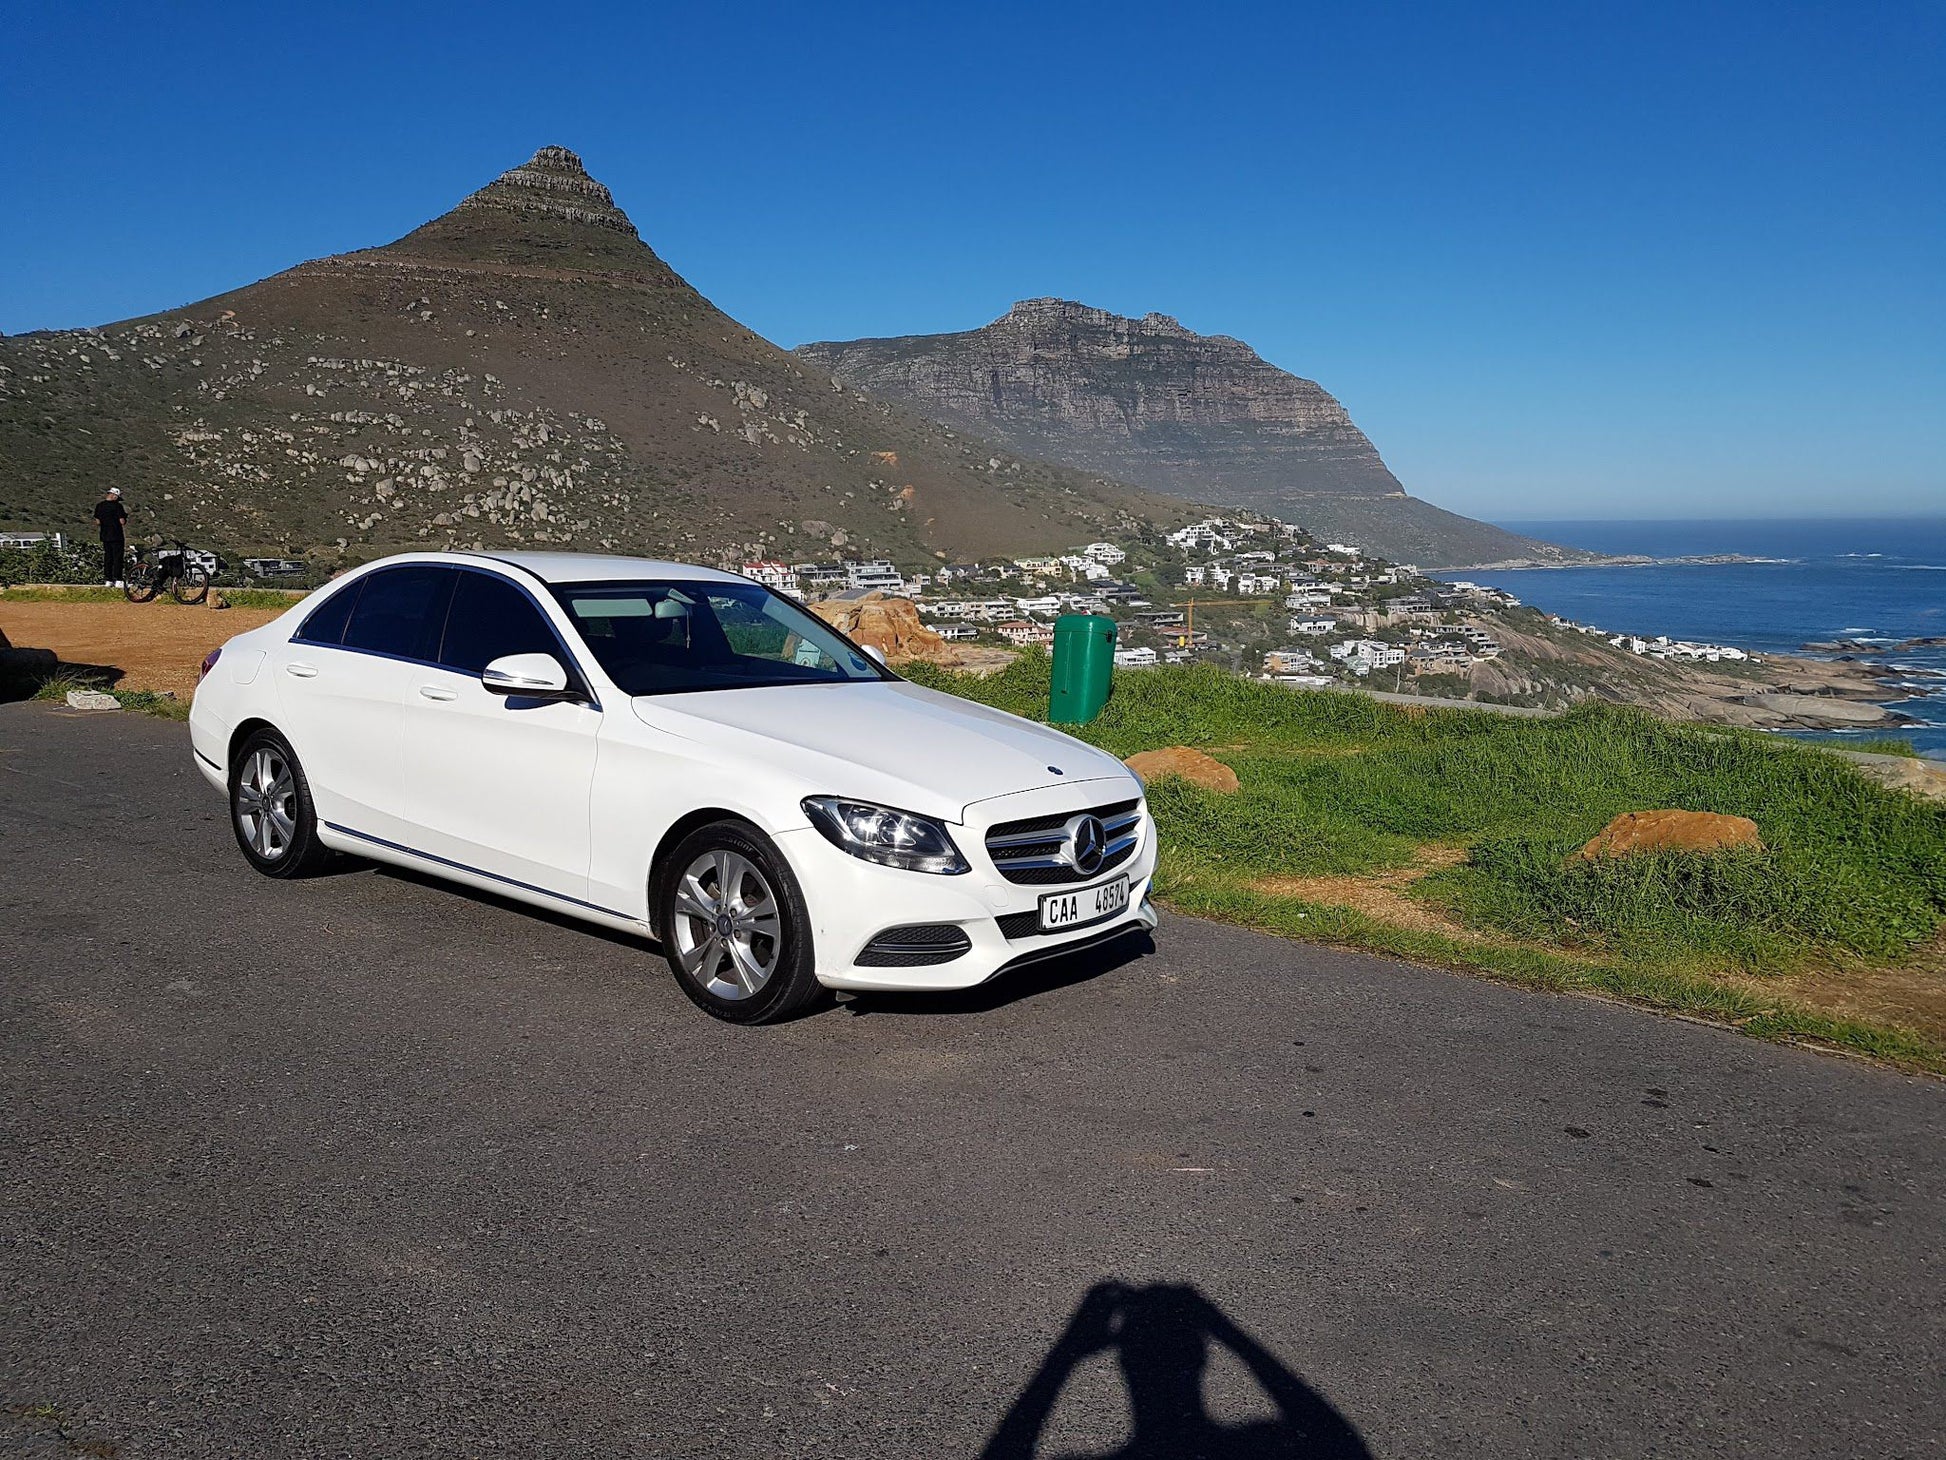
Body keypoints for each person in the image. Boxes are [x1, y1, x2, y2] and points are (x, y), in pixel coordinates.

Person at [93, 487, 128, 588]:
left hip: (105, 535)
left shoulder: (99, 506)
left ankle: (108, 579)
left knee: (108, 557)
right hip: (116, 535)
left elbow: (98, 521)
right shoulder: (117, 507)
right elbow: (122, 521)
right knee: (117, 558)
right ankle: (118, 579)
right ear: (114, 495)